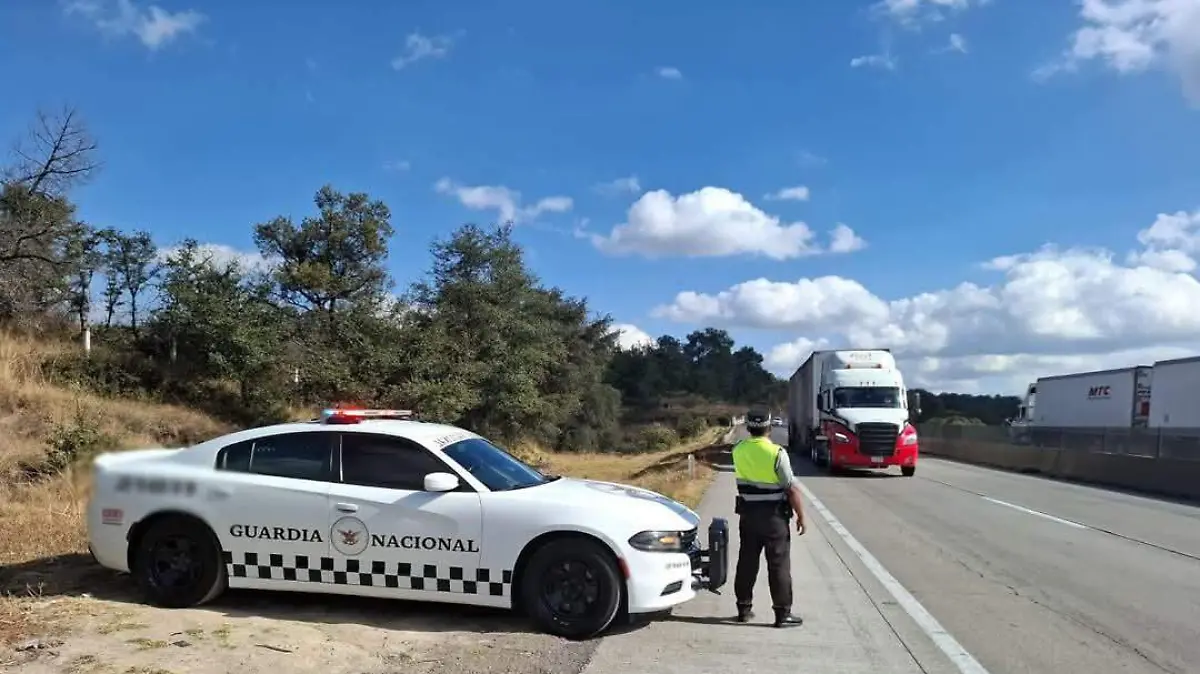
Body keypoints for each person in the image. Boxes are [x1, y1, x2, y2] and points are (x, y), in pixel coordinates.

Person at [730, 407, 805, 627]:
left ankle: (744, 609)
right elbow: (791, 488)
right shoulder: (776, 453)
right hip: (774, 518)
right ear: (769, 428)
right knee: (778, 564)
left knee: (747, 562)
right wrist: (801, 516)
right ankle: (782, 614)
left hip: (748, 515)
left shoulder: (738, 450)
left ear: (747, 427)